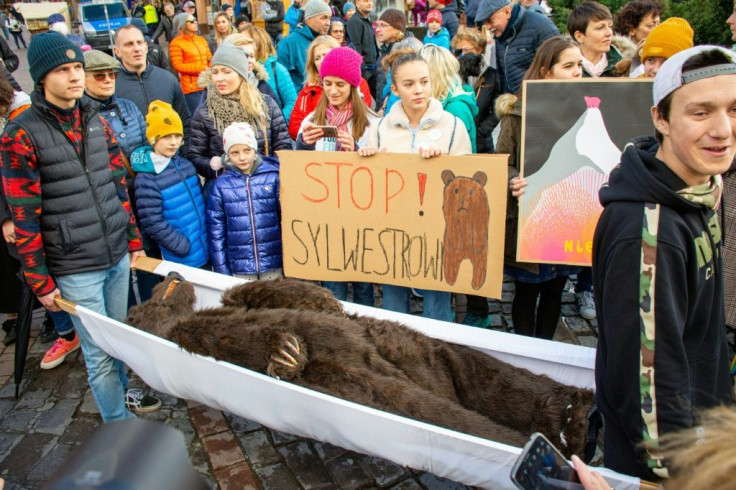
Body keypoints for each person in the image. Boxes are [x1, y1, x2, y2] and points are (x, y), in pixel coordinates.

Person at [0, 31, 160, 420]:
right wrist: (40, 281)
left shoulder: (94, 119)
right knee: (99, 353)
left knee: (118, 340)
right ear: (41, 78)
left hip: (116, 255)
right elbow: (23, 215)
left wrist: (133, 241)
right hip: (74, 266)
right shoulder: (20, 134)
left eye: (76, 67)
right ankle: (119, 431)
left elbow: (117, 185)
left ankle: (123, 396)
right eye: (63, 70)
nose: (74, 77)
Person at [593, 45, 736, 480]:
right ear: (661, 119)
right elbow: (648, 385)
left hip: (705, 430)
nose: (724, 129)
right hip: (673, 465)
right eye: (700, 113)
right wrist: (678, 473)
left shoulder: (700, 189)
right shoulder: (648, 232)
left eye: (734, 109)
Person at [358, 52, 472, 321]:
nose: (418, 90)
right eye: (409, 84)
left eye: (424, 81)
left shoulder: (453, 126)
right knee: (394, 305)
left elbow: (467, 178)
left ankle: (438, 353)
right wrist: (368, 159)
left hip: (438, 230)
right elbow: (367, 183)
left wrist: (443, 165)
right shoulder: (379, 128)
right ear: (395, 89)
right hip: (393, 230)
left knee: (437, 304)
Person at [494, 36, 583, 338]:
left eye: (579, 66)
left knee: (556, 288)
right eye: (568, 65)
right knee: (528, 289)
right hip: (529, 219)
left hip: (569, 217)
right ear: (546, 71)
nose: (576, 72)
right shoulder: (517, 113)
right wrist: (513, 178)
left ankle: (545, 347)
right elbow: (502, 161)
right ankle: (524, 353)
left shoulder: (585, 111)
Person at [296, 47, 377, 306]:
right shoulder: (312, 119)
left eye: (340, 84)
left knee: (363, 281)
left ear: (353, 85)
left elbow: (378, 172)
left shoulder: (372, 123)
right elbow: (300, 173)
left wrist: (354, 152)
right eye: (327, 83)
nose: (332, 91)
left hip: (360, 214)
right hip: (327, 214)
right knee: (333, 283)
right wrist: (303, 144)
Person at [189, 43, 290, 191]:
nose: (219, 78)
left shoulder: (266, 105)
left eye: (226, 71)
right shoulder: (205, 111)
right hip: (226, 192)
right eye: (215, 72)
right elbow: (195, 156)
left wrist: (265, 171)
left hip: (264, 189)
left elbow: (283, 147)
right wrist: (219, 167)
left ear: (241, 74)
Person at [131, 101, 207, 269]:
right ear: (153, 139)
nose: (173, 142)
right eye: (166, 137)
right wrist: (180, 245)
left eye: (177, 136)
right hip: (182, 255)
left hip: (204, 246)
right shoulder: (147, 178)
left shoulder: (186, 165)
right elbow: (152, 221)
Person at [206, 122, 282, 279]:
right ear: (227, 155)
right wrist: (222, 271)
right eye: (234, 153)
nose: (242, 157)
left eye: (247, 150)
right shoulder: (221, 185)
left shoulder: (272, 177)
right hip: (240, 268)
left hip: (273, 263)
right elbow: (216, 232)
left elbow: (285, 220)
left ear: (254, 149)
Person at [113, 25, 191, 150]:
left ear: (146, 46)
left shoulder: (167, 79)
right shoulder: (112, 85)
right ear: (117, 51)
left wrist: (183, 156)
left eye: (139, 42)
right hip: (134, 162)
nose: (136, 48)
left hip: (171, 160)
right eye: (129, 44)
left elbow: (185, 122)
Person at [474, 0, 558, 94]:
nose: (487, 27)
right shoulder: (501, 34)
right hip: (513, 104)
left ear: (507, 12)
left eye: (490, 21)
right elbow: (502, 76)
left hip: (537, 101)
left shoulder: (541, 27)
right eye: (484, 23)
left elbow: (556, 69)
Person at [452, 27, 501, 154]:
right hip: (459, 140)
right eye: (459, 51)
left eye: (466, 50)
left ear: (479, 49)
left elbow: (497, 108)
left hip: (483, 142)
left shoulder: (491, 75)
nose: (463, 54)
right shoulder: (454, 75)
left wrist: (481, 131)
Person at [242, 25, 297, 124]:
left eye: (246, 41)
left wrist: (276, 123)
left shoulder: (277, 69)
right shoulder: (238, 70)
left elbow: (292, 102)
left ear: (258, 44)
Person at [567, 1, 632, 78]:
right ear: (579, 36)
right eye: (600, 27)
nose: (609, 33)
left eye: (610, 26)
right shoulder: (565, 67)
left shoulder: (627, 65)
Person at [277, 0, 332, 88]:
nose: (328, 23)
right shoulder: (289, 43)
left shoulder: (328, 43)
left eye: (329, 18)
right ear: (308, 20)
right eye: (323, 18)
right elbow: (281, 80)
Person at [169, 12, 212, 113]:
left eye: (195, 20)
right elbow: (178, 65)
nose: (195, 22)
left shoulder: (201, 40)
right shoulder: (176, 43)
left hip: (208, 84)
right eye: (191, 21)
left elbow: (209, 58)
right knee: (198, 117)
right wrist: (201, 68)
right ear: (183, 24)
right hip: (192, 89)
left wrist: (211, 69)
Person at [613, 0, 662, 76]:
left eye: (658, 25)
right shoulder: (613, 54)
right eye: (650, 26)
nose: (657, 30)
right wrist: (635, 60)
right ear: (632, 29)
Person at [375, 9, 409, 112]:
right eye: (377, 25)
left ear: (397, 29)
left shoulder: (404, 53)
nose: (378, 29)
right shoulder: (385, 51)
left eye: (383, 25)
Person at [346, 0, 378, 100]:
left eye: (370, 1)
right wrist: (361, 67)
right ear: (357, 3)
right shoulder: (355, 21)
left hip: (373, 66)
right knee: (363, 101)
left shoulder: (367, 20)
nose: (369, 3)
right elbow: (355, 47)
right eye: (365, 0)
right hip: (364, 69)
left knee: (379, 98)